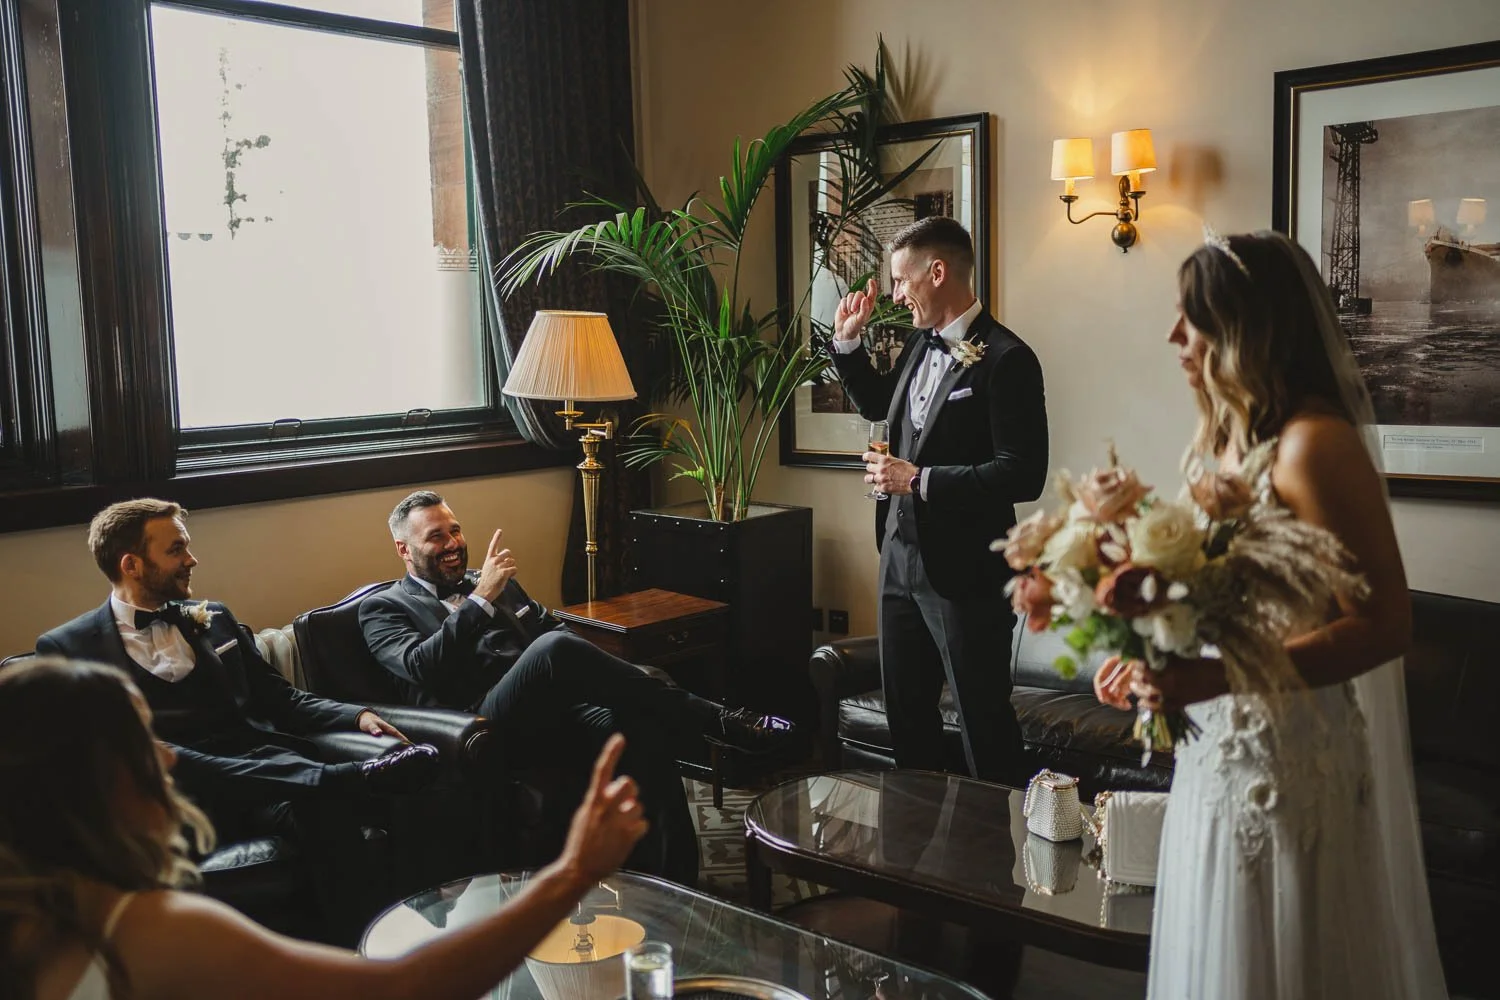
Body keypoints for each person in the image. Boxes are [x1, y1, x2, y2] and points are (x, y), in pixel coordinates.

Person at [1093, 230, 1447, 999]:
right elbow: (1235, 593)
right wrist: (1150, 642)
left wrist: (1218, 675)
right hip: (1218, 755)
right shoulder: (1233, 442)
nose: (1172, 335)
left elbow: (1386, 623)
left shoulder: (1315, 445)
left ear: (1246, 328)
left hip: (1290, 765)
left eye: (1193, 318)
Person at [0, 656, 647, 1000]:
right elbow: (405, 990)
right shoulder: (149, 933)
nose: (168, 758)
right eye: (143, 741)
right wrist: (574, 872)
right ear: (87, 779)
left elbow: (284, 701)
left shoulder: (27, 928)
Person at [36, 499, 440, 944]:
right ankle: (346, 778)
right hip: (177, 799)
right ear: (131, 564)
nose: (192, 560)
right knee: (176, 760)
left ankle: (369, 955)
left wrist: (358, 715)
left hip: (265, 784)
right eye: (176, 550)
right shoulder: (68, 648)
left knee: (326, 809)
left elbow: (281, 699)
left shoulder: (217, 618)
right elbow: (126, 755)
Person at [358, 490, 796, 887]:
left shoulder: (488, 582)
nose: (453, 543)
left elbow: (550, 628)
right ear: (404, 548)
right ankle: (719, 720)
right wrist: (481, 601)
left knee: (642, 715)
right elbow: (423, 668)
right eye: (436, 537)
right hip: (479, 726)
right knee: (557, 649)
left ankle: (672, 884)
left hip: (553, 712)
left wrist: (614, 681)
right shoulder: (383, 608)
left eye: (455, 530)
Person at [829, 216, 1048, 784]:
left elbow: (1023, 474)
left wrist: (918, 479)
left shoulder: (1007, 358)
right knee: (907, 718)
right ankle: (913, 867)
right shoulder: (915, 346)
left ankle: (1000, 868)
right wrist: (847, 343)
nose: (897, 296)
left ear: (938, 272)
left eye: (903, 282)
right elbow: (880, 400)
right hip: (898, 561)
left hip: (967, 572)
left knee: (983, 723)